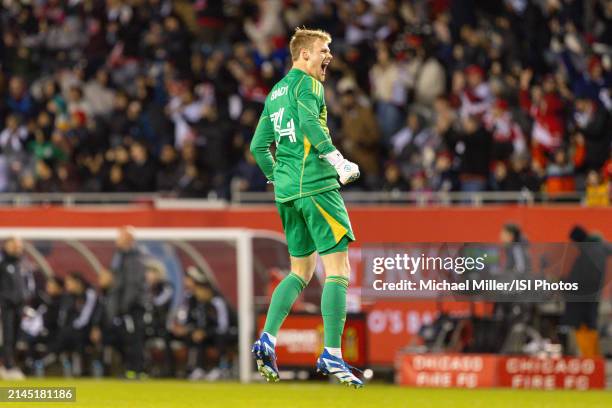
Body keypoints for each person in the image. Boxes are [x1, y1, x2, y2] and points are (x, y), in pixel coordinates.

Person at [249, 28, 362, 388]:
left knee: (300, 271)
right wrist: (338, 160)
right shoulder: (308, 86)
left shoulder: (274, 92)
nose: (329, 55)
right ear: (304, 55)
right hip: (315, 186)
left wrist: (277, 177)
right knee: (338, 268)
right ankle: (332, 352)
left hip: (287, 194)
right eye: (324, 50)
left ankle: (266, 338)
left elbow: (257, 146)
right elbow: (311, 123)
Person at [108, 226, 147, 379]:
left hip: (133, 306)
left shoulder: (133, 258)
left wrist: (124, 305)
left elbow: (132, 284)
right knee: (125, 337)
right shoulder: (121, 257)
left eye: (120, 237)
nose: (116, 240)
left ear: (128, 240)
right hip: (124, 306)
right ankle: (131, 368)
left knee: (134, 338)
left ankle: (136, 370)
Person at [0, 237, 26, 380]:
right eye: (13, 245)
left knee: (16, 337)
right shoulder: (3, 265)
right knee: (7, 337)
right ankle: (7, 366)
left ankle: (10, 364)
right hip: (6, 307)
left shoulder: (20, 265)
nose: (16, 248)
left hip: (18, 306)